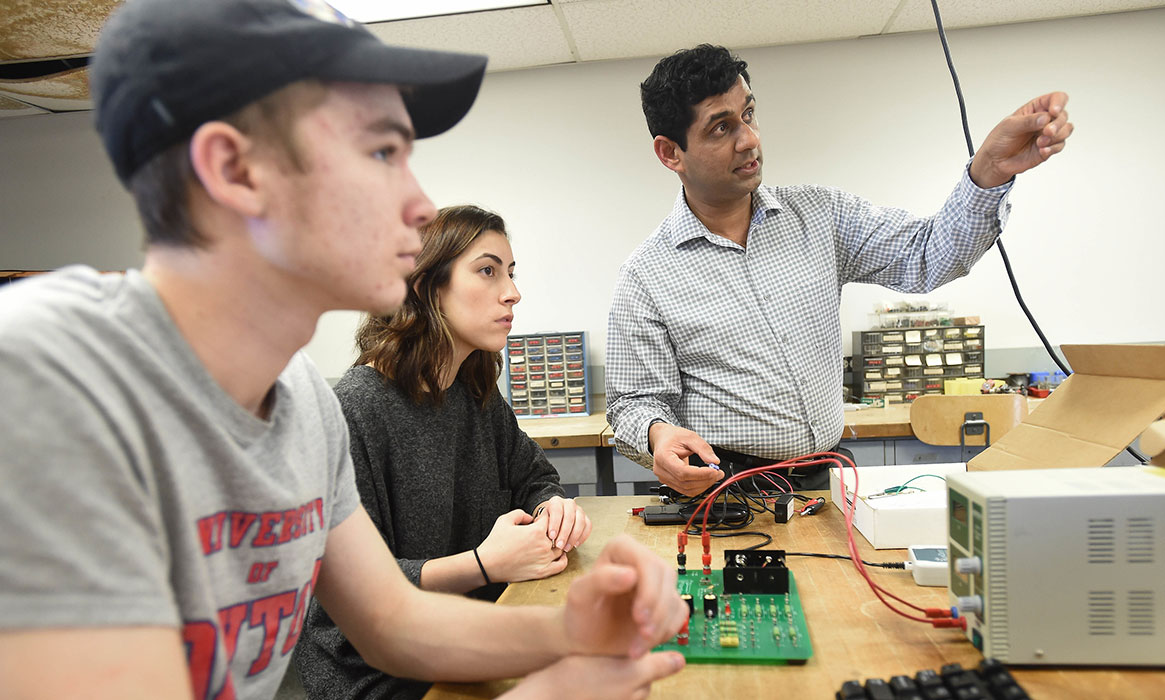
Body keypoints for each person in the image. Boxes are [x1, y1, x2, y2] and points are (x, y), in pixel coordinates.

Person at [0, 2, 685, 699]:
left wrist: (580, 629)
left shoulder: (299, 402)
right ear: (236, 171)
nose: (420, 206)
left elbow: (396, 622)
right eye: (382, 151)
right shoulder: (44, 375)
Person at [606, 44, 1073, 496]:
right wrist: (657, 435)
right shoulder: (647, 277)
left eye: (748, 114)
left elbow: (930, 254)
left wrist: (988, 170)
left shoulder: (821, 215)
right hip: (730, 493)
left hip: (829, 478)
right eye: (720, 128)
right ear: (671, 153)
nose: (749, 139)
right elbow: (632, 404)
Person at [297, 204, 594, 699]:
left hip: (464, 632)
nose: (512, 292)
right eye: (487, 270)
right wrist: (483, 564)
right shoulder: (354, 411)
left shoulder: (472, 388)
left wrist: (553, 508)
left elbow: (533, 475)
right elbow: (350, 594)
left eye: (511, 272)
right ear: (426, 287)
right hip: (379, 674)